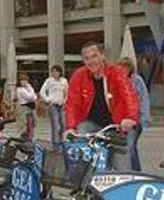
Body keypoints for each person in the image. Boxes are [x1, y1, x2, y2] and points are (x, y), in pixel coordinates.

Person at [64, 41, 139, 170]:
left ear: (103, 56)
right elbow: (72, 104)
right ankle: (82, 181)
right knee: (80, 136)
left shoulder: (117, 73)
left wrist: (130, 118)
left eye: (94, 56)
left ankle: (126, 180)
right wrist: (70, 127)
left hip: (117, 125)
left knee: (123, 158)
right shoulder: (79, 76)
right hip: (92, 123)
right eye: (87, 58)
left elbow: (129, 96)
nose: (91, 61)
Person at [118, 57, 150, 171]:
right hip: (121, 121)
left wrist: (144, 119)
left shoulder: (137, 81)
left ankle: (134, 171)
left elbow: (144, 99)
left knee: (130, 145)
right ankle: (136, 170)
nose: (122, 70)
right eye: (120, 67)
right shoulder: (117, 80)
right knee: (129, 147)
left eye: (125, 67)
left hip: (135, 120)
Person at [39, 65, 68, 144]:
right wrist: (47, 99)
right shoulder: (49, 81)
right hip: (53, 105)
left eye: (56, 71)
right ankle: (55, 143)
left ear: (60, 72)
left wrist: (65, 101)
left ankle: (62, 140)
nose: (54, 73)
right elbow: (42, 91)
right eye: (53, 72)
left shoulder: (64, 81)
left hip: (61, 105)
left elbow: (66, 93)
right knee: (56, 125)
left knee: (63, 124)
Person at [16, 73, 38, 141]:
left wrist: (30, 90)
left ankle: (30, 138)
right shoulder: (20, 89)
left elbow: (35, 97)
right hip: (24, 108)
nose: (24, 82)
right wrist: (31, 89)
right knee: (25, 125)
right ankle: (25, 140)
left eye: (25, 80)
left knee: (32, 124)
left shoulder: (28, 88)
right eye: (22, 80)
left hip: (31, 107)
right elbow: (30, 97)